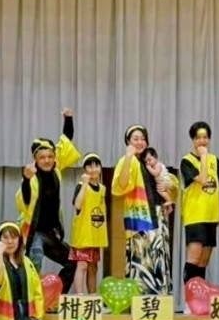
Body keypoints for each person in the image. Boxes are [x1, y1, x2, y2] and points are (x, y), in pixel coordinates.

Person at [18, 108, 81, 287]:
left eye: (50, 156)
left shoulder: (56, 169)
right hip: (34, 232)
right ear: (35, 160)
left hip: (51, 232)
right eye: (42, 157)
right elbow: (25, 200)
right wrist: (25, 180)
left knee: (73, 262)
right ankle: (33, 297)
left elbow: (66, 140)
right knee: (34, 261)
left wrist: (68, 119)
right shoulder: (31, 177)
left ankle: (56, 296)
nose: (47, 160)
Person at [112, 126, 176, 295]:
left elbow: (166, 181)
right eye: (135, 139)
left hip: (158, 215)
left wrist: (168, 188)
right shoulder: (127, 160)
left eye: (142, 139)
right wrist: (128, 157)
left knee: (159, 257)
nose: (140, 142)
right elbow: (121, 185)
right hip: (139, 218)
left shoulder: (149, 160)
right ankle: (141, 299)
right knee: (141, 259)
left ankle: (159, 299)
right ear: (128, 142)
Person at [179, 121, 219, 285]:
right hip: (195, 215)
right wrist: (204, 157)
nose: (202, 141)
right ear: (193, 140)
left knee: (204, 260)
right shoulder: (187, 161)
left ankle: (200, 295)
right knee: (194, 258)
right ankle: (189, 295)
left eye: (205, 137)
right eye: (198, 138)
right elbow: (203, 180)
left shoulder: (215, 160)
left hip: (211, 216)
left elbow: (218, 188)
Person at [0, 222, 44, 320]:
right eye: (5, 237)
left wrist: (38, 316)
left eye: (14, 237)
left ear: (19, 240)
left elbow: (37, 292)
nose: (10, 241)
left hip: (27, 316)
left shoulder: (27, 262)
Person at [68, 153, 107, 295]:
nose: (93, 169)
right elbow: (77, 205)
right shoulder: (81, 186)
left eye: (96, 165)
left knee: (93, 267)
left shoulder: (102, 189)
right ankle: (79, 295)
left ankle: (92, 296)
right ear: (85, 169)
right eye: (89, 166)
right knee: (82, 265)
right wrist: (84, 184)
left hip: (95, 235)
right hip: (83, 234)